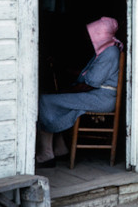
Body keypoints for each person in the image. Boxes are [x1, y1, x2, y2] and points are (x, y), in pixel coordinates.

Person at [36, 16, 123, 168]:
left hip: (101, 98)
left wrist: (65, 92)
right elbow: (88, 75)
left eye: (94, 34)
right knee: (58, 103)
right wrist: (64, 69)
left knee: (45, 101)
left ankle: (46, 154)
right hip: (98, 96)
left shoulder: (109, 53)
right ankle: (60, 148)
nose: (91, 38)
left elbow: (89, 84)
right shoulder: (107, 50)